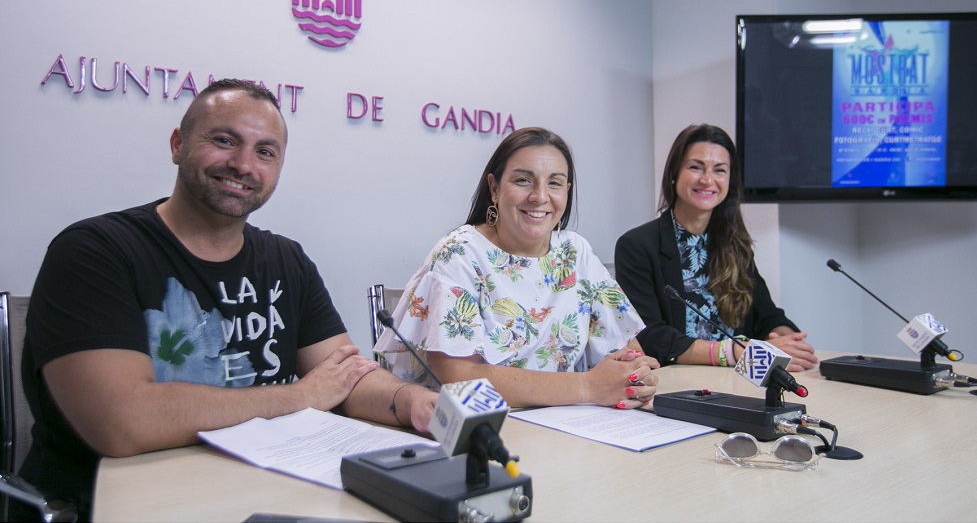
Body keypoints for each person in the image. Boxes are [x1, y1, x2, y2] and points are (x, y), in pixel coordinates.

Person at [18, 79, 437, 522]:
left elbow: (344, 378)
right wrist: (300, 396)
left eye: (265, 152)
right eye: (223, 141)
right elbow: (124, 422)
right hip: (113, 505)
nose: (243, 165)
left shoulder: (286, 260)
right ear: (178, 144)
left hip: (266, 496)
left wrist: (414, 402)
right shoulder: (94, 251)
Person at [374, 127, 659, 409]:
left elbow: (625, 348)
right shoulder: (459, 254)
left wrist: (635, 376)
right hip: (477, 427)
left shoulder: (576, 251)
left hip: (566, 425)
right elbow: (461, 379)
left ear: (567, 191)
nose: (539, 196)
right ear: (494, 189)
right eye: (523, 180)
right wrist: (587, 386)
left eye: (555, 183)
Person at [614, 124, 818, 372]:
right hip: (677, 382)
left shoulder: (735, 245)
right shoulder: (636, 246)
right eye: (695, 167)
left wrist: (785, 340)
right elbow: (650, 336)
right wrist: (736, 352)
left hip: (738, 378)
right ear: (674, 173)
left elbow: (766, 315)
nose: (707, 180)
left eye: (719, 170)